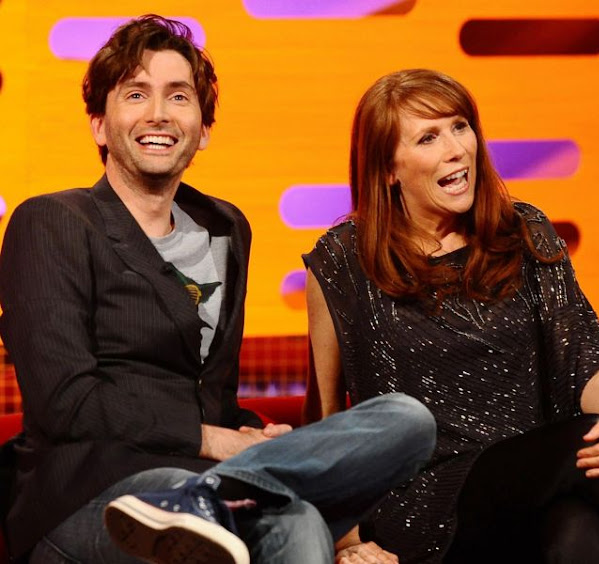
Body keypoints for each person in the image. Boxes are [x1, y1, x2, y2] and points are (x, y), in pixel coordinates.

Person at [0, 17, 437, 564]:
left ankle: (207, 496)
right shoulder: (53, 222)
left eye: (178, 96)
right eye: (136, 94)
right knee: (294, 515)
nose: (158, 113)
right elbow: (67, 403)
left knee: (407, 421)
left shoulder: (226, 228)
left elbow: (213, 396)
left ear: (203, 129)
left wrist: (258, 436)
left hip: (205, 479)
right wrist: (217, 440)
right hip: (87, 496)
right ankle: (202, 497)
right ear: (99, 126)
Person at [304, 68, 599, 564]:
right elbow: (327, 418)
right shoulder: (344, 260)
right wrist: (347, 540)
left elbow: (581, 366)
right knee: (586, 445)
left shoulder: (524, 231)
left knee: (576, 532)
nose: (457, 149)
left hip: (539, 479)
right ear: (388, 168)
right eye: (428, 137)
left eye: (460, 127)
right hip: (424, 499)